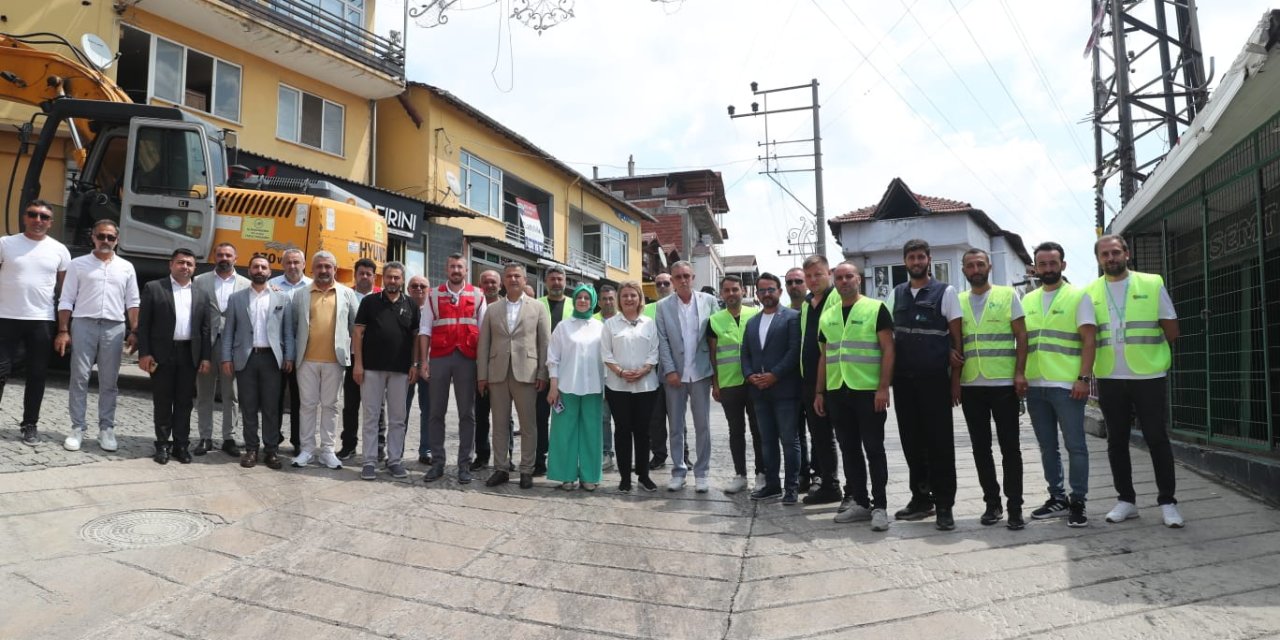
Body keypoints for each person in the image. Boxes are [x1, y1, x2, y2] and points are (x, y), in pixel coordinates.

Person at [1089, 235, 1183, 528]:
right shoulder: (1089, 291)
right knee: (1116, 441)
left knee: (1157, 438)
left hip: (1148, 375)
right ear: (1098, 259)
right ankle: (1126, 500)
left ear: (1127, 254)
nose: (1111, 258)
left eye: (1115, 252)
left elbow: (1171, 329)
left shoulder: (1152, 283)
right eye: (1105, 254)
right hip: (1109, 375)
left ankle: (1167, 502)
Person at [885, 239, 963, 531]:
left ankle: (945, 505)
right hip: (904, 382)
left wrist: (955, 383)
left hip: (934, 382)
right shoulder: (896, 294)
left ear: (929, 259)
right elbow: (888, 338)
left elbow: (957, 342)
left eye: (921, 257)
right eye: (911, 257)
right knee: (912, 443)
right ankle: (921, 499)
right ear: (905, 262)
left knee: (940, 444)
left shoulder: (946, 292)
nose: (916, 262)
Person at [813, 262, 894, 531]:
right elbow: (825, 356)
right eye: (840, 277)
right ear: (834, 282)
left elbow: (888, 350)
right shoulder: (828, 315)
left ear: (858, 279)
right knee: (849, 449)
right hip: (838, 391)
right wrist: (819, 392)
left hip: (868, 392)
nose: (845, 281)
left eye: (849, 276)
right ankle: (860, 502)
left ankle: (880, 506)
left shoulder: (875, 308)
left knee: (873, 448)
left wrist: (883, 388)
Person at [1023, 241, 1097, 528]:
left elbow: (1089, 340)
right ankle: (1057, 498)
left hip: (1067, 385)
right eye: (1043, 264)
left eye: (1053, 263)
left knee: (1075, 446)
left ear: (1063, 265)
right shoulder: (1028, 300)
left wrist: (1083, 378)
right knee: (1046, 446)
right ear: (1035, 267)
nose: (1048, 268)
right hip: (1035, 385)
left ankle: (1077, 501)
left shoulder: (1079, 297)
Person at [956, 248, 1029, 530]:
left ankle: (1015, 507)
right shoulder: (958, 301)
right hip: (972, 385)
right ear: (964, 270)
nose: (975, 269)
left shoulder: (1007, 295)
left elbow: (1021, 335)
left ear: (988, 267)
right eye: (970, 265)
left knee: (1011, 449)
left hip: (1003, 385)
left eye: (980, 264)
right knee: (980, 449)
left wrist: (1020, 373)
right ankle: (992, 503)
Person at [54, 220, 138, 452]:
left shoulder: (126, 267)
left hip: (114, 326)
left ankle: (106, 429)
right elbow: (66, 298)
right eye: (101, 236)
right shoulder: (78, 264)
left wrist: (135, 330)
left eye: (110, 237)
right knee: (79, 377)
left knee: (109, 381)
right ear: (93, 236)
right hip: (84, 324)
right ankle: (77, 428)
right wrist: (63, 330)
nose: (105, 241)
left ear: (117, 240)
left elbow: (132, 302)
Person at [0, 199, 70, 445]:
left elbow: (66, 292)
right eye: (33, 214)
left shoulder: (60, 250)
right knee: (0, 372)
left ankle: (30, 424)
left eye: (43, 216)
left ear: (50, 222)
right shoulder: (5, 244)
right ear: (24, 217)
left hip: (41, 320)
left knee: (37, 375)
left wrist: (63, 328)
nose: (38, 220)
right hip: (5, 317)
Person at [476, 262, 549, 489]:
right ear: (503, 281)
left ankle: (526, 469)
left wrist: (543, 373)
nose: (513, 279)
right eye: (509, 276)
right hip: (497, 373)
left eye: (517, 276)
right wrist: (482, 375)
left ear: (525, 280)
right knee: (499, 424)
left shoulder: (537, 307)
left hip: (526, 373)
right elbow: (484, 344)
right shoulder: (493, 309)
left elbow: (544, 343)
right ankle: (501, 468)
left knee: (528, 425)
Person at [137, 248, 213, 464]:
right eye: (181, 262)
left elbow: (205, 329)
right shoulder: (154, 288)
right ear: (171, 265)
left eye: (189, 263)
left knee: (184, 402)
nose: (185, 267)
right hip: (162, 354)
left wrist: (205, 357)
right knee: (162, 400)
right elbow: (144, 325)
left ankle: (181, 444)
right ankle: (162, 444)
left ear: (194, 268)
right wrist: (145, 353)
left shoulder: (201, 294)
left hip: (189, 353)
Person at [220, 255, 293, 470]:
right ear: (249, 270)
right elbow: (229, 332)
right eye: (255, 267)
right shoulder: (237, 298)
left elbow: (287, 331)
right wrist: (226, 357)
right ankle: (251, 449)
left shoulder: (282, 298)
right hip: (246, 358)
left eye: (264, 267)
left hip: (272, 359)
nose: (259, 270)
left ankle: (271, 450)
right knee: (248, 406)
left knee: (271, 407)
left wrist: (289, 355)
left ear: (270, 272)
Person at [288, 250, 359, 470]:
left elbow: (355, 327)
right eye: (319, 266)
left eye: (328, 266)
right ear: (312, 269)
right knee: (307, 405)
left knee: (331, 406)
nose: (324, 270)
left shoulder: (347, 294)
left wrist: (356, 359)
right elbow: (293, 327)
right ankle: (307, 449)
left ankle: (328, 450)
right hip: (306, 360)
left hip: (335, 361)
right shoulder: (301, 294)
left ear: (335, 269)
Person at [420, 253, 486, 484]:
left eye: (460, 266)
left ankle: (464, 465)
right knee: (435, 413)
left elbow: (484, 332)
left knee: (467, 414)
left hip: (467, 358)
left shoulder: (478, 295)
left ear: (466, 271)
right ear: (446, 269)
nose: (456, 270)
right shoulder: (434, 295)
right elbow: (425, 329)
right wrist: (424, 361)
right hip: (439, 357)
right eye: (452, 266)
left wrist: (482, 364)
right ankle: (437, 463)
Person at [655, 260, 719, 492]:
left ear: (693, 278)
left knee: (703, 426)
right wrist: (670, 369)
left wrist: (716, 374)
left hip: (700, 372)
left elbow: (715, 338)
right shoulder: (663, 306)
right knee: (676, 426)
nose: (683, 280)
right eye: (678, 277)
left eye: (687, 276)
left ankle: (701, 473)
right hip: (674, 375)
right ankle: (679, 471)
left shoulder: (709, 302)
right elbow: (662, 340)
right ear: (671, 281)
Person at [353, 261, 419, 481]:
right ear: (383, 279)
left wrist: (415, 364)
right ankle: (369, 461)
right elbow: (358, 334)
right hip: (371, 368)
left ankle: (394, 461)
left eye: (397, 278)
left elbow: (416, 338)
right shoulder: (370, 302)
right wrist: (358, 364)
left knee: (398, 418)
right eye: (389, 277)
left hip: (400, 370)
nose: (393, 281)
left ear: (402, 280)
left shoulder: (411, 305)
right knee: (371, 416)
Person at [740, 273, 802, 504]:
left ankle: (792, 488)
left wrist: (774, 375)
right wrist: (749, 376)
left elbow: (794, 351)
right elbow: (744, 353)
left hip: (785, 390)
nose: (767, 294)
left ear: (779, 291)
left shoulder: (792, 318)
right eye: (762, 290)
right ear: (756, 295)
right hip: (759, 391)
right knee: (766, 440)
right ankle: (772, 485)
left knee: (789, 439)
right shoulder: (752, 322)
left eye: (771, 289)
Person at [546, 284, 606, 490]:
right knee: (564, 432)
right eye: (579, 297)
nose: (582, 301)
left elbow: (606, 357)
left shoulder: (600, 327)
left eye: (586, 298)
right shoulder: (563, 326)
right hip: (566, 387)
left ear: (593, 302)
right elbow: (553, 358)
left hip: (594, 388)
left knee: (592, 432)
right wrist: (553, 386)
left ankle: (589, 476)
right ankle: (566, 475)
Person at [602, 280, 660, 492]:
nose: (629, 299)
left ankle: (644, 475)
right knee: (622, 431)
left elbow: (655, 350)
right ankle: (625, 477)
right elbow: (605, 353)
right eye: (625, 295)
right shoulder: (610, 324)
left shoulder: (649, 323)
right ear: (619, 299)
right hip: (618, 386)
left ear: (639, 298)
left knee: (643, 432)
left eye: (633, 295)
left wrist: (644, 370)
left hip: (646, 386)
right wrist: (620, 372)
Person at [193, 242, 250, 457]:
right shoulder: (200, 281)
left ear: (236, 258)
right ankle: (205, 437)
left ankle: (229, 437)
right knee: (204, 393)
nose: (224, 258)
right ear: (214, 257)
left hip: (233, 346)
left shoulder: (246, 284)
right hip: (207, 344)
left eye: (228, 254)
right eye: (220, 254)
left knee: (231, 394)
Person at [708, 275, 762, 493]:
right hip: (729, 384)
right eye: (727, 290)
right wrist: (716, 384)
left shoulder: (756, 315)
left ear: (743, 292)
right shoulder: (714, 321)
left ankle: (762, 473)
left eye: (735, 290)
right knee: (736, 431)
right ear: (722, 294)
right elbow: (712, 355)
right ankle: (740, 475)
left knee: (759, 430)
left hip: (755, 382)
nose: (731, 294)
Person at [799, 255, 842, 504]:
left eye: (818, 274)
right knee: (820, 436)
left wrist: (822, 388)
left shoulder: (837, 298)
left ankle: (841, 486)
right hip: (810, 380)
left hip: (834, 379)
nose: (813, 280)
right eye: (809, 276)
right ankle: (828, 484)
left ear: (829, 274)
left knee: (839, 437)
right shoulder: (806, 304)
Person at [340, 258, 386, 462]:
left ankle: (378, 447)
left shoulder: (383, 296)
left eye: (369, 273)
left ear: (374, 276)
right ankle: (348, 445)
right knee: (350, 405)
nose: (365, 277)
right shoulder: (345, 295)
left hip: (376, 359)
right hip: (351, 359)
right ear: (355, 274)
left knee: (378, 407)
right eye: (361, 273)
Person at [269, 248, 311, 454]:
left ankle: (298, 440)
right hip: (277, 353)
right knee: (274, 398)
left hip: (305, 353)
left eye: (297, 262)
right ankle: (272, 439)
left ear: (304, 264)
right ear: (282, 264)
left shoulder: (313, 286)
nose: (293, 266)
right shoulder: (272, 286)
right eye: (289, 262)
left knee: (300, 400)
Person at [534, 265, 573, 475]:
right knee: (538, 418)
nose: (556, 282)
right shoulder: (535, 304)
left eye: (560, 279)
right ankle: (539, 461)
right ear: (546, 281)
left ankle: (563, 462)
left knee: (563, 419)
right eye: (552, 279)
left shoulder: (575, 305)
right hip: (540, 371)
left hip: (566, 372)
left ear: (565, 281)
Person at [784, 266, 813, 492]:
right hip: (790, 385)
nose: (794, 286)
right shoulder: (783, 315)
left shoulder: (815, 310)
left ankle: (821, 476)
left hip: (814, 383)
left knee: (820, 433)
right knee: (795, 433)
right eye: (790, 282)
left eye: (798, 281)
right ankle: (802, 475)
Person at [471, 268, 502, 471]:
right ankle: (482, 456)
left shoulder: (507, 307)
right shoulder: (473, 306)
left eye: (493, 282)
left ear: (500, 285)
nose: (490, 285)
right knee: (480, 416)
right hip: (478, 369)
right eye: (485, 282)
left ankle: (505, 456)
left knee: (504, 416)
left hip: (502, 370)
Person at [405, 274, 433, 465]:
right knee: (401, 410)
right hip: (404, 368)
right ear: (408, 289)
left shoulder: (433, 310)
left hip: (429, 368)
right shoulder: (401, 307)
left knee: (429, 411)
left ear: (429, 290)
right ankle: (396, 449)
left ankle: (426, 450)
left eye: (423, 286)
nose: (418, 289)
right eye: (414, 286)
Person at [648, 271, 674, 469]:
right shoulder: (647, 310)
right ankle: (658, 454)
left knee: (677, 417)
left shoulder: (679, 307)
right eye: (659, 284)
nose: (663, 287)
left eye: (666, 283)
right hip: (652, 371)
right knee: (654, 418)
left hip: (674, 370)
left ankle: (684, 455)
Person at [595, 284, 619, 473]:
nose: (608, 302)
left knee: (624, 421)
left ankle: (626, 455)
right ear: (599, 300)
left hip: (622, 378)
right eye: (604, 299)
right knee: (603, 419)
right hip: (599, 378)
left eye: (611, 298)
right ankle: (606, 454)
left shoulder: (623, 319)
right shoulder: (593, 321)